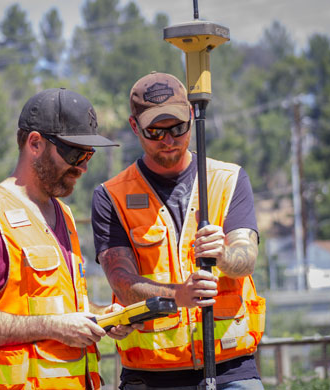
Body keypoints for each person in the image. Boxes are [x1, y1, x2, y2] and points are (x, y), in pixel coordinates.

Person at [0, 87, 139, 390]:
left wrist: (101, 317)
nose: (83, 167)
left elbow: (57, 308)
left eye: (89, 155)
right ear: (35, 143)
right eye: (75, 153)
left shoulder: (65, 215)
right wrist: (54, 328)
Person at [91, 72, 266, 390]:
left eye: (177, 127)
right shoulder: (111, 196)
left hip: (231, 371)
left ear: (191, 115)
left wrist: (224, 254)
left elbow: (247, 258)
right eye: (155, 131)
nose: (168, 140)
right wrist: (180, 296)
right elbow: (123, 283)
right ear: (135, 127)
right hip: (150, 376)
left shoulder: (229, 179)